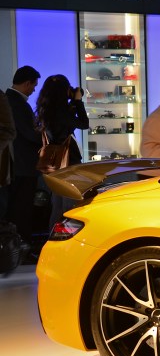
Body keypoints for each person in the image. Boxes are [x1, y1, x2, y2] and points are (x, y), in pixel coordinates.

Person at [35, 74, 89, 227]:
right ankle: (67, 237)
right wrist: (77, 101)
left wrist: (72, 103)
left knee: (57, 204)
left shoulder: (45, 110)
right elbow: (84, 123)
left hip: (53, 163)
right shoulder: (62, 112)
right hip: (68, 161)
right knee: (70, 205)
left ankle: (53, 235)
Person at [5, 65, 42, 243]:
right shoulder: (18, 104)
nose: (34, 90)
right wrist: (43, 135)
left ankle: (14, 246)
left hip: (14, 164)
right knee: (22, 208)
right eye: (34, 85)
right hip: (23, 165)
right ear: (27, 83)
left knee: (14, 208)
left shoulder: (8, 100)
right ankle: (21, 246)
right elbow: (29, 134)